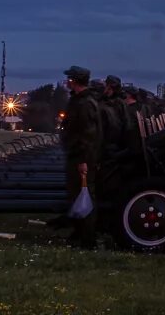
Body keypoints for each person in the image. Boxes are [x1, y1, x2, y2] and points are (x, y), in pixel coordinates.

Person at [62, 65, 103, 248]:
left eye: (69, 79)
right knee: (76, 195)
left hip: (81, 157)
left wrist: (83, 160)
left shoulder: (85, 103)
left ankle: (87, 239)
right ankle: (79, 233)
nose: (67, 81)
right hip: (77, 155)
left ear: (75, 80)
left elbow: (87, 134)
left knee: (84, 195)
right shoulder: (79, 100)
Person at [100, 75, 133, 156]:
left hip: (112, 145)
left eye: (106, 85)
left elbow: (123, 125)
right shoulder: (114, 101)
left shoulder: (118, 103)